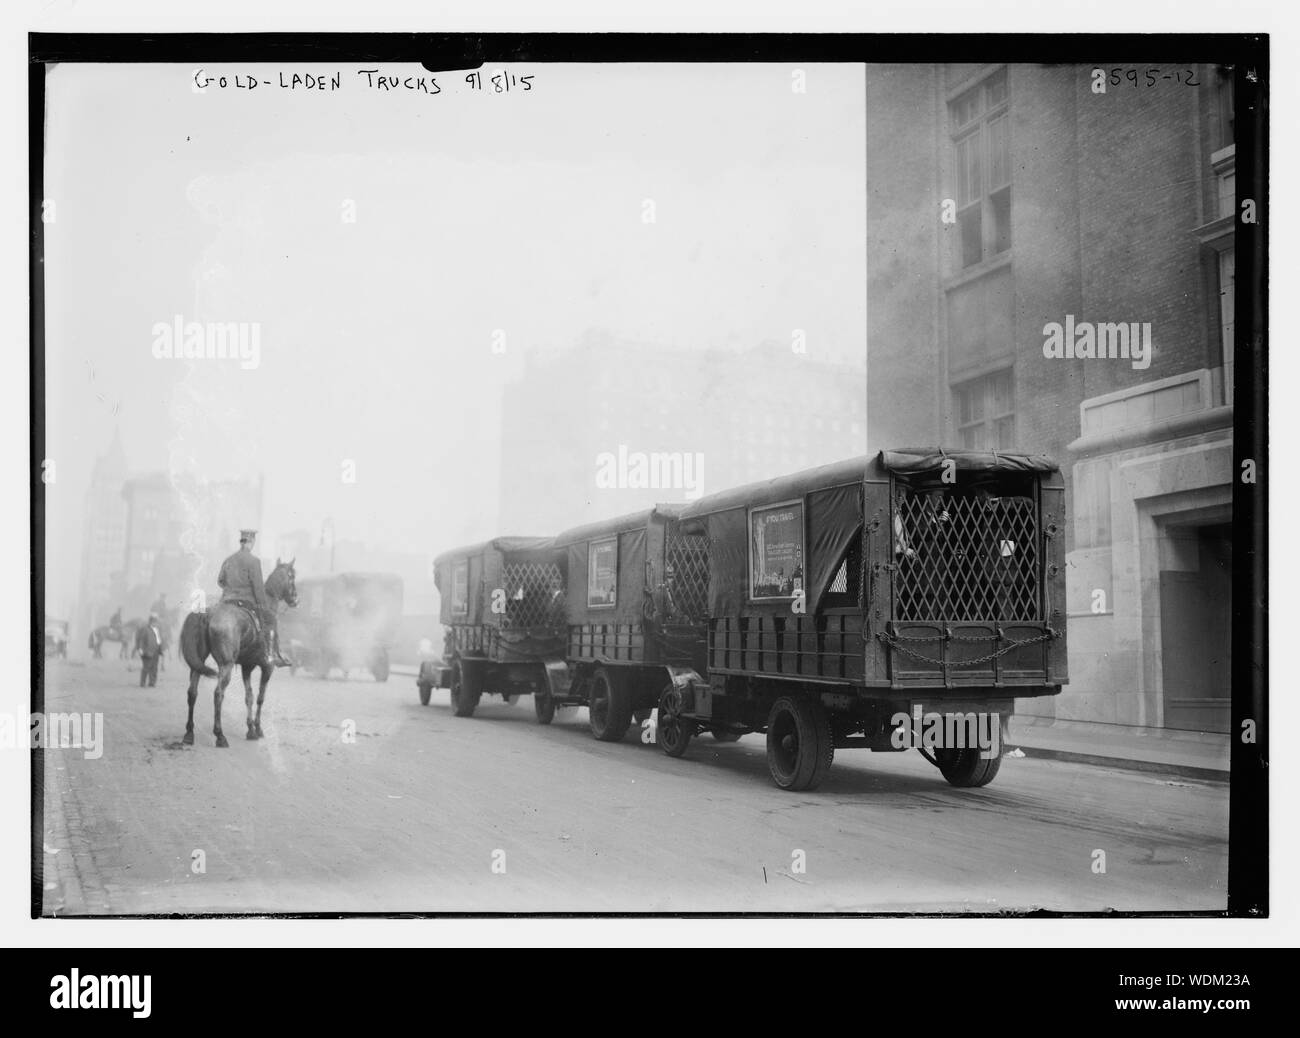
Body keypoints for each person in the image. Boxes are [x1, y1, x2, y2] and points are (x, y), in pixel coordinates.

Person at [217, 529, 292, 667]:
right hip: (245, 602)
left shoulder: (228, 560)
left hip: (226, 602)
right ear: (251, 542)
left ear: (241, 541)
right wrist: (263, 606)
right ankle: (271, 655)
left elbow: (220, 581)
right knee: (271, 621)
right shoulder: (254, 561)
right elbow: (258, 587)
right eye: (253, 542)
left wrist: (231, 589)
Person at [135, 612, 164, 687]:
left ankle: (152, 683)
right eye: (154, 621)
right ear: (150, 621)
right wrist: (140, 649)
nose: (155, 622)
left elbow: (158, 640)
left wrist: (160, 649)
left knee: (154, 668)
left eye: (156, 621)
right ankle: (142, 683)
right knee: (146, 668)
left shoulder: (157, 629)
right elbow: (141, 639)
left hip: (156, 651)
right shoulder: (145, 629)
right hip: (147, 651)